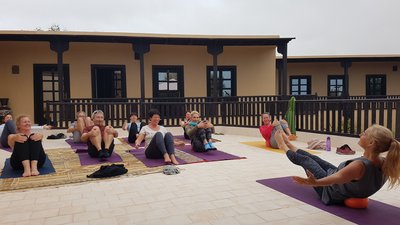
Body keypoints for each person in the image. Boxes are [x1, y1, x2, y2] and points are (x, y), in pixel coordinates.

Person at [274, 124, 400, 205]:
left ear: (371, 143)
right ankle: (291, 146)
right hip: (344, 185)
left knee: (307, 161)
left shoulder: (359, 166)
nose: (361, 134)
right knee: (314, 157)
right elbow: (342, 176)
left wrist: (314, 183)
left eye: (365, 133)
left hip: (329, 191)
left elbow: (336, 179)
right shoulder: (384, 162)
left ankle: (283, 146)